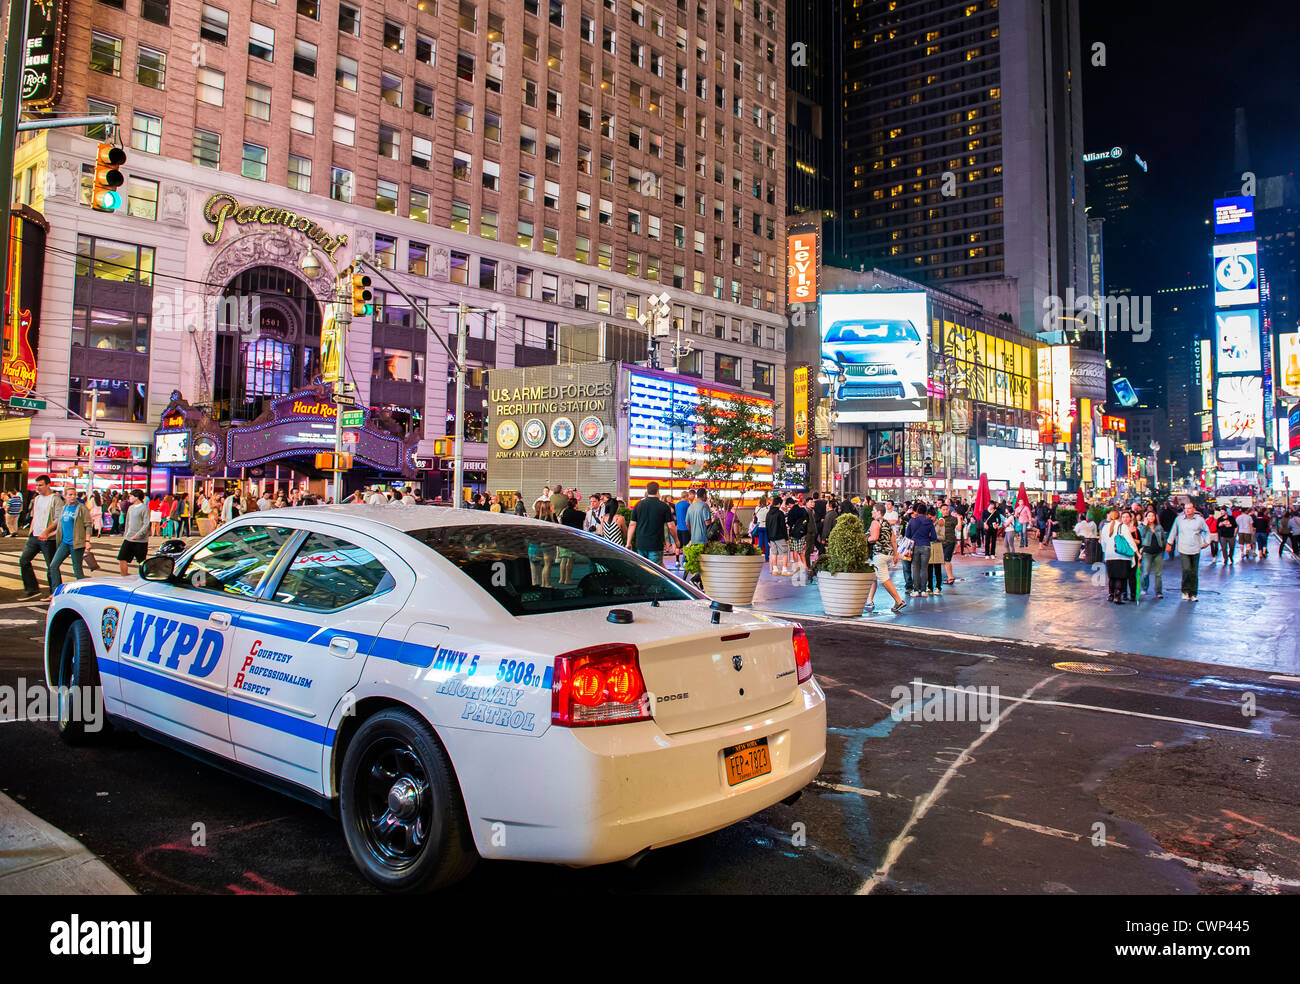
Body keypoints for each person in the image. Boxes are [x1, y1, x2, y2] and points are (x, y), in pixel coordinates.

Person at [18, 475, 61, 602]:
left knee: (51, 566)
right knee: (24, 560)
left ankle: (54, 592)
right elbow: (35, 516)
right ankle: (31, 589)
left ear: (48, 485)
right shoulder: (36, 499)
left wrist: (46, 531)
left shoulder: (55, 499)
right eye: (37, 485)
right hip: (34, 536)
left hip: (48, 538)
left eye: (40, 485)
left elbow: (58, 519)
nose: (38, 488)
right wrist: (31, 532)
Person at [49, 485, 94, 590]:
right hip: (64, 542)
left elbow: (88, 525)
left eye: (74, 494)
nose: (73, 497)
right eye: (70, 495)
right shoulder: (64, 508)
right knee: (53, 565)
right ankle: (55, 590)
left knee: (77, 568)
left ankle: (82, 589)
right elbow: (61, 526)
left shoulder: (81, 508)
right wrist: (49, 534)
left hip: (77, 542)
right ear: (65, 496)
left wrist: (87, 541)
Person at [1167, 500, 1211, 601]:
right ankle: (1185, 591)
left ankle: (1193, 593)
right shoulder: (1179, 520)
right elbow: (1173, 531)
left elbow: (1207, 530)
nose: (1187, 510)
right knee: (1186, 570)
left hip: (1195, 548)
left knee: (1194, 572)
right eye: (1186, 509)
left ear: (1194, 509)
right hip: (1183, 548)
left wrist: (1207, 542)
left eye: (1189, 508)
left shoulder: (1199, 520)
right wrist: (1169, 543)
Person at [865, 503, 906, 614]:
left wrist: (864, 538)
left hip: (879, 554)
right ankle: (869, 600)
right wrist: (896, 554)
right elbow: (893, 539)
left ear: (879, 512)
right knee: (874, 576)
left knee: (884, 579)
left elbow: (874, 538)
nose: (871, 512)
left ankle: (899, 601)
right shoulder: (887, 523)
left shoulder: (875, 522)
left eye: (873, 510)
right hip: (888, 553)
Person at [626, 481, 676, 566]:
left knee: (644, 568)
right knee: (655, 570)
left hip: (641, 543)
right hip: (655, 544)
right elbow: (671, 526)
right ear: (658, 491)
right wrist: (676, 540)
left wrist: (628, 542)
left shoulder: (638, 505)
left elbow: (632, 525)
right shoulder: (664, 506)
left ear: (647, 490)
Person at [1100, 509, 1135, 604]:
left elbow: (1103, 542)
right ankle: (1118, 596)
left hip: (1109, 555)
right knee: (1120, 577)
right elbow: (1130, 540)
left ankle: (1110, 595)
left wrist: (1105, 552)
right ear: (1119, 517)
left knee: (1112, 576)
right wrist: (1135, 551)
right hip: (1121, 555)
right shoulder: (1122, 526)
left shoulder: (1105, 527)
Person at [904, 503, 937, 597]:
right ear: (926, 512)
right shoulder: (929, 521)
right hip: (926, 546)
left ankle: (916, 590)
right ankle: (923, 590)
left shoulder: (912, 521)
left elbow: (907, 535)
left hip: (915, 546)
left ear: (917, 511)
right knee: (924, 568)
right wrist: (927, 539)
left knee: (916, 568)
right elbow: (934, 537)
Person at [117, 490, 151, 577]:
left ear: (136, 497)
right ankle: (124, 577)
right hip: (128, 538)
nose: (130, 498)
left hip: (140, 540)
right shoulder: (131, 508)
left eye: (131, 496)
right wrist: (126, 535)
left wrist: (138, 535)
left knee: (141, 561)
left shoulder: (144, 508)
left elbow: (146, 524)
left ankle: (144, 577)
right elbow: (127, 522)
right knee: (122, 558)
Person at [1139, 508, 1167, 599]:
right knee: (1146, 573)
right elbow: (1141, 536)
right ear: (1146, 517)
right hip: (1147, 553)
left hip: (1158, 552)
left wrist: (1164, 545)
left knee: (1158, 573)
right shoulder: (1142, 527)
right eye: (1149, 516)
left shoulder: (1159, 527)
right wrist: (1144, 525)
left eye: (1153, 516)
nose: (1151, 517)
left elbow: (1163, 537)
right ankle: (1144, 588)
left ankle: (1159, 591)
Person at [785, 496, 809, 579]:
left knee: (795, 551)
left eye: (788, 506)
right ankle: (805, 567)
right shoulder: (802, 510)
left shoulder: (791, 512)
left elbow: (789, 523)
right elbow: (807, 520)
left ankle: (797, 567)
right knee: (801, 551)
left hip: (794, 534)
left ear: (789, 504)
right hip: (802, 533)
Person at [767, 496, 790, 575]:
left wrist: (768, 539)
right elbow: (783, 526)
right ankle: (784, 570)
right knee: (785, 553)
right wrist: (786, 538)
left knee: (774, 553)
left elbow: (767, 526)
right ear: (779, 504)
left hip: (771, 537)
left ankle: (775, 569)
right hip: (780, 536)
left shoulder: (768, 513)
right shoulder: (780, 513)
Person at [940, 502, 957, 585]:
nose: (946, 511)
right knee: (944, 560)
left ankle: (951, 577)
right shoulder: (939, 519)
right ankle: (949, 577)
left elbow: (959, 527)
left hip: (950, 541)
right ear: (940, 510)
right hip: (940, 542)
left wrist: (959, 518)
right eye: (944, 510)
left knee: (947, 560)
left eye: (947, 509)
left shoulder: (953, 519)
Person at [752, 495, 770, 560]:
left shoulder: (757, 508)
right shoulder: (768, 509)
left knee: (760, 543)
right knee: (766, 543)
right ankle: (767, 558)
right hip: (766, 526)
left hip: (759, 526)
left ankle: (759, 557)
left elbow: (755, 515)